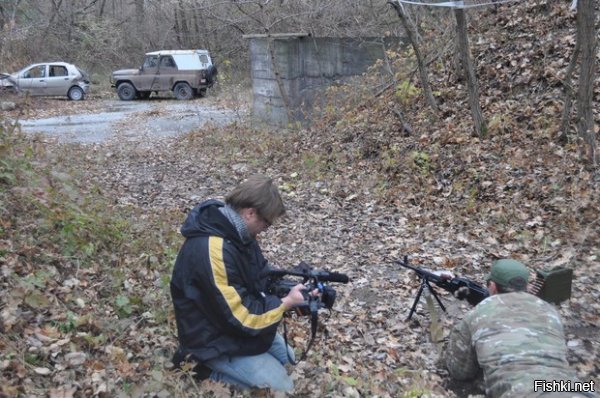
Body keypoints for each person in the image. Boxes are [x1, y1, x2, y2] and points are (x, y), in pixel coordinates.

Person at [170, 175, 307, 392]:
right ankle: (203, 371)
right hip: (212, 341)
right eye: (267, 222)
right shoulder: (213, 250)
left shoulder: (239, 234)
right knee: (283, 387)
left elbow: (260, 276)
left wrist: (292, 289)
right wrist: (284, 304)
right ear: (250, 212)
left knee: (291, 360)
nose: (267, 228)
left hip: (229, 328)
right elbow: (240, 316)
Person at [444, 259, 597, 398]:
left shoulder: (477, 313)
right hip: (570, 387)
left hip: (522, 390)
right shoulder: (549, 310)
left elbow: (460, 371)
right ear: (527, 286)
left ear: (492, 286)